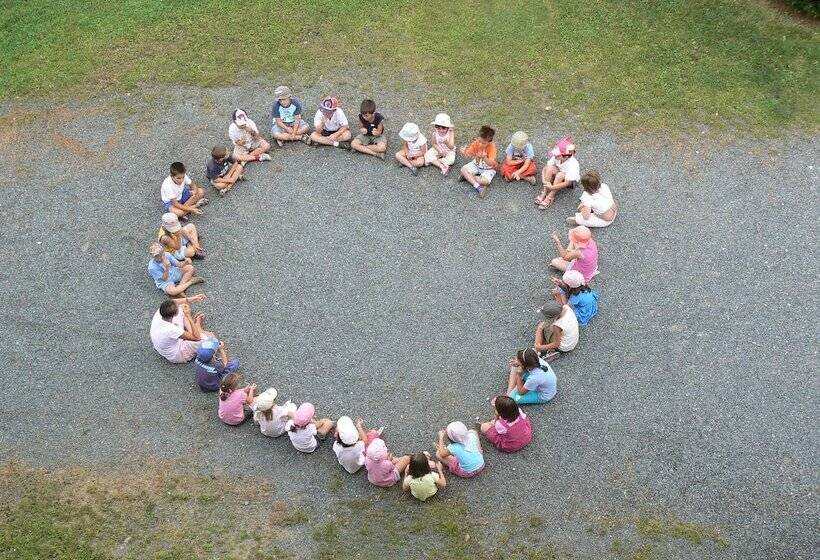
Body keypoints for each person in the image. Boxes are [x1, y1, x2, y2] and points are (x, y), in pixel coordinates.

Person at [149, 295, 210, 363]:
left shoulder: (161, 312)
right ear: (174, 315)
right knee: (205, 339)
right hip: (177, 354)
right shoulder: (171, 329)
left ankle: (192, 331)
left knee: (182, 306)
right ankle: (197, 327)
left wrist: (190, 299)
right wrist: (188, 315)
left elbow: (173, 302)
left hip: (165, 345)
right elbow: (197, 338)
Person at [536, 136, 580, 209]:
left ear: (565, 157)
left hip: (569, 181)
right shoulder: (557, 157)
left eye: (557, 155)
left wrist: (552, 187)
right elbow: (545, 168)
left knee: (560, 175)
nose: (554, 156)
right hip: (559, 173)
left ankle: (551, 196)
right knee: (550, 168)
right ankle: (545, 191)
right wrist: (544, 180)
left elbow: (567, 183)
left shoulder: (573, 164)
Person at [460, 125, 498, 198]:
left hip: (488, 168)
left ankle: (467, 177)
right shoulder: (476, 142)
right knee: (462, 170)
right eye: (480, 141)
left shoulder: (492, 147)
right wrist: (464, 151)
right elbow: (469, 153)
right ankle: (479, 187)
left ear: (489, 142)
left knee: (486, 181)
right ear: (478, 138)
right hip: (476, 164)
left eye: (483, 143)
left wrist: (484, 157)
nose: (480, 144)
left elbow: (491, 163)